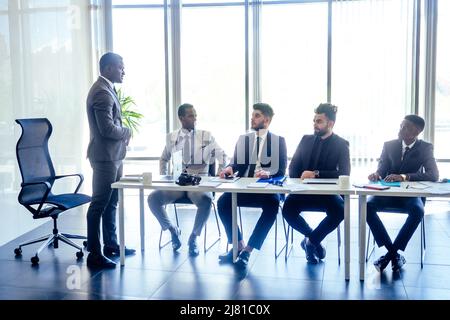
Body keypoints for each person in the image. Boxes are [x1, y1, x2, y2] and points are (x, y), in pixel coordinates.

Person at [148, 103, 227, 256]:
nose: (195, 118)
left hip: (198, 184)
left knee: (205, 201)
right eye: (191, 115)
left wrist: (218, 175)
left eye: (195, 114)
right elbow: (163, 159)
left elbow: (223, 156)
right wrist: (165, 178)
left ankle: (193, 237)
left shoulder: (206, 136)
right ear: (181, 118)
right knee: (152, 198)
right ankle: (173, 230)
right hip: (177, 185)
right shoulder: (171, 137)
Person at [217, 103, 287, 269]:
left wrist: (268, 173)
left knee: (272, 205)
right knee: (223, 202)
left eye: (257, 115)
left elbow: (282, 170)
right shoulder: (244, 139)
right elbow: (235, 163)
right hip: (243, 186)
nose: (252, 118)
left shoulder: (278, 141)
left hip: (265, 189)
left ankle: (248, 251)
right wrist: (229, 168)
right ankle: (238, 245)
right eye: (252, 115)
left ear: (267, 120)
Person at [367, 115, 439, 272]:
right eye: (401, 125)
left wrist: (405, 177)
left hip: (410, 195)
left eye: (406, 127)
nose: (400, 129)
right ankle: (393, 254)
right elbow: (382, 167)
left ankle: (389, 255)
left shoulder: (425, 148)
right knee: (366, 207)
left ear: (417, 131)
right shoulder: (389, 145)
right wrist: (377, 174)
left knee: (418, 211)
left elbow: (434, 175)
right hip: (386, 193)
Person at [282, 103, 350, 264]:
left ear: (330, 124)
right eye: (314, 121)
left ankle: (310, 243)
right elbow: (293, 168)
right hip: (302, 191)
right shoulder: (305, 139)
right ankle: (314, 240)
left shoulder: (341, 144)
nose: (315, 124)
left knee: (341, 210)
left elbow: (344, 174)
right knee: (287, 210)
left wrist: (316, 174)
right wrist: (300, 178)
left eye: (319, 121)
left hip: (327, 194)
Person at [85, 52, 136, 268]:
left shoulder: (107, 89)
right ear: (107, 69)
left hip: (114, 156)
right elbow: (107, 129)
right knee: (99, 203)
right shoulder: (101, 93)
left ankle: (111, 244)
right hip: (105, 158)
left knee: (112, 202)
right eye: (120, 67)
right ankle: (94, 254)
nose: (124, 71)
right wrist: (126, 131)